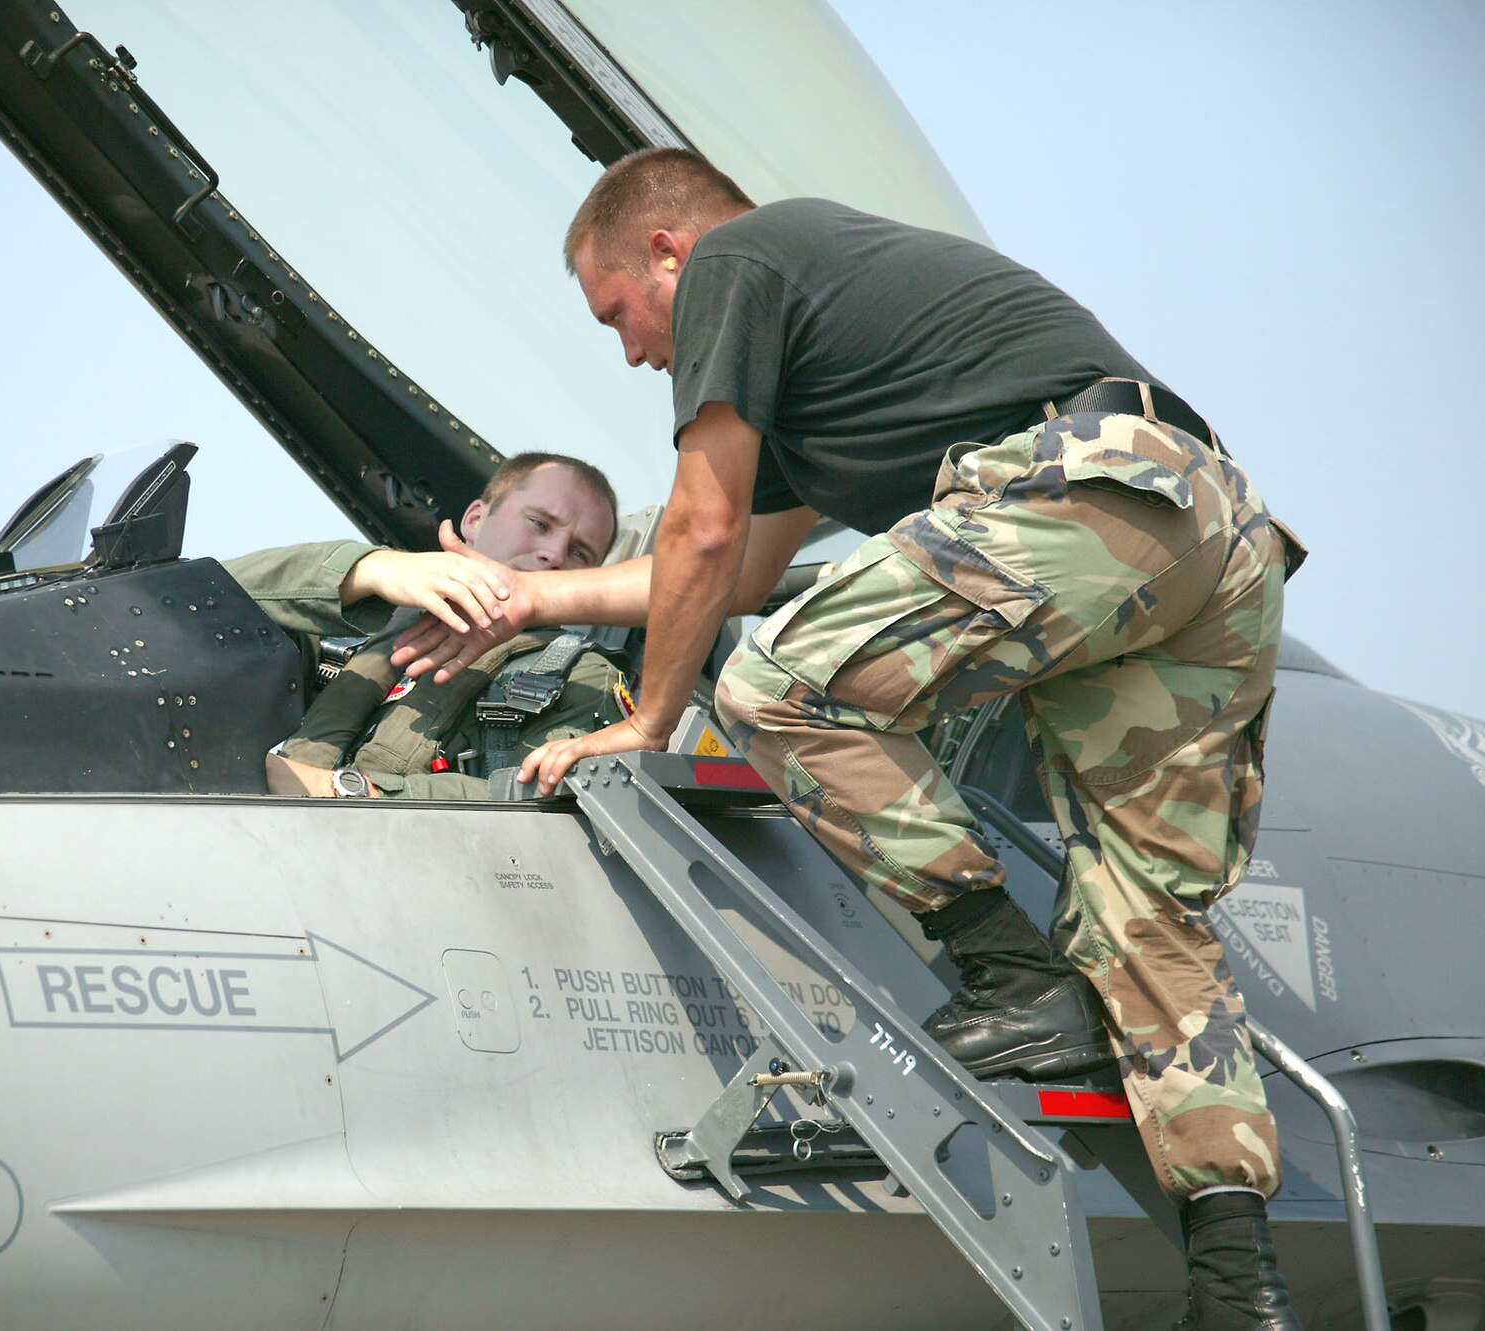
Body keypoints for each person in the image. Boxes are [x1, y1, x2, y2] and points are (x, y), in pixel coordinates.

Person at [391, 150, 1304, 1329]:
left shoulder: (735, 258)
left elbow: (702, 530)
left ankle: (1013, 976)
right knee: (1141, 920)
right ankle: (1238, 1281)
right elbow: (733, 569)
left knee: (777, 688)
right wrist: (528, 600)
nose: (628, 351)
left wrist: (645, 719)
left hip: (1082, 491)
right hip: (1204, 529)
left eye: (617, 311)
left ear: (666, 253)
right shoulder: (823, 348)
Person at [224, 452, 629, 800]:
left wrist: (347, 789)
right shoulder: (361, 618)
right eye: (539, 524)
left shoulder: (582, 680)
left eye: (580, 552)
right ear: (474, 520)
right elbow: (202, 603)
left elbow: (546, 801)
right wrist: (370, 568)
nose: (554, 554)